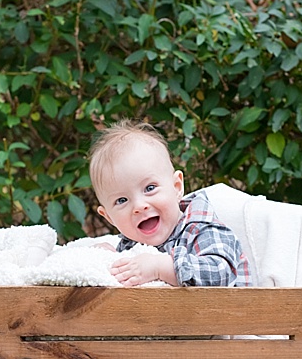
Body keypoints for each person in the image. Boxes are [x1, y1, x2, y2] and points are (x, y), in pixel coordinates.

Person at [88, 120, 251, 287]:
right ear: (109, 217)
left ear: (176, 187)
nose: (139, 206)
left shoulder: (202, 229)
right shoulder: (131, 244)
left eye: (149, 188)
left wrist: (160, 267)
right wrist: (107, 259)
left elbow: (220, 274)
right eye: (122, 200)